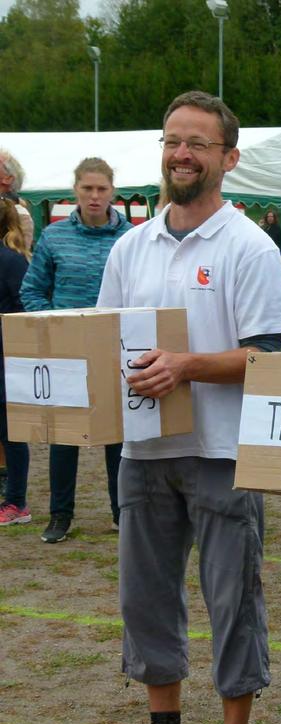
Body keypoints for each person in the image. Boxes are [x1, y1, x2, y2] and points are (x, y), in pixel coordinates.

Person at [97, 90, 281, 724]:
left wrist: (185, 366)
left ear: (228, 158)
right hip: (144, 451)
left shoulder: (248, 247)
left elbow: (268, 355)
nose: (181, 154)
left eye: (197, 144)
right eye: (172, 141)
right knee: (145, 599)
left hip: (223, 451)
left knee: (233, 599)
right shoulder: (131, 247)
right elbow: (107, 343)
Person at [20, 157, 132, 543]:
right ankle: (60, 515)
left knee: (119, 436)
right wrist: (57, 326)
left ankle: (123, 513)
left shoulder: (131, 237)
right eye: (87, 188)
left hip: (117, 349)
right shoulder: (53, 237)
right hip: (66, 353)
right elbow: (31, 291)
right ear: (75, 192)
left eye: (102, 188)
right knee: (65, 437)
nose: (95, 196)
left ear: (112, 191)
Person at [0, 197, 31, 527]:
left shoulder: (11, 260)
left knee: (11, 432)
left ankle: (17, 501)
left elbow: (24, 310)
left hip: (6, 357)